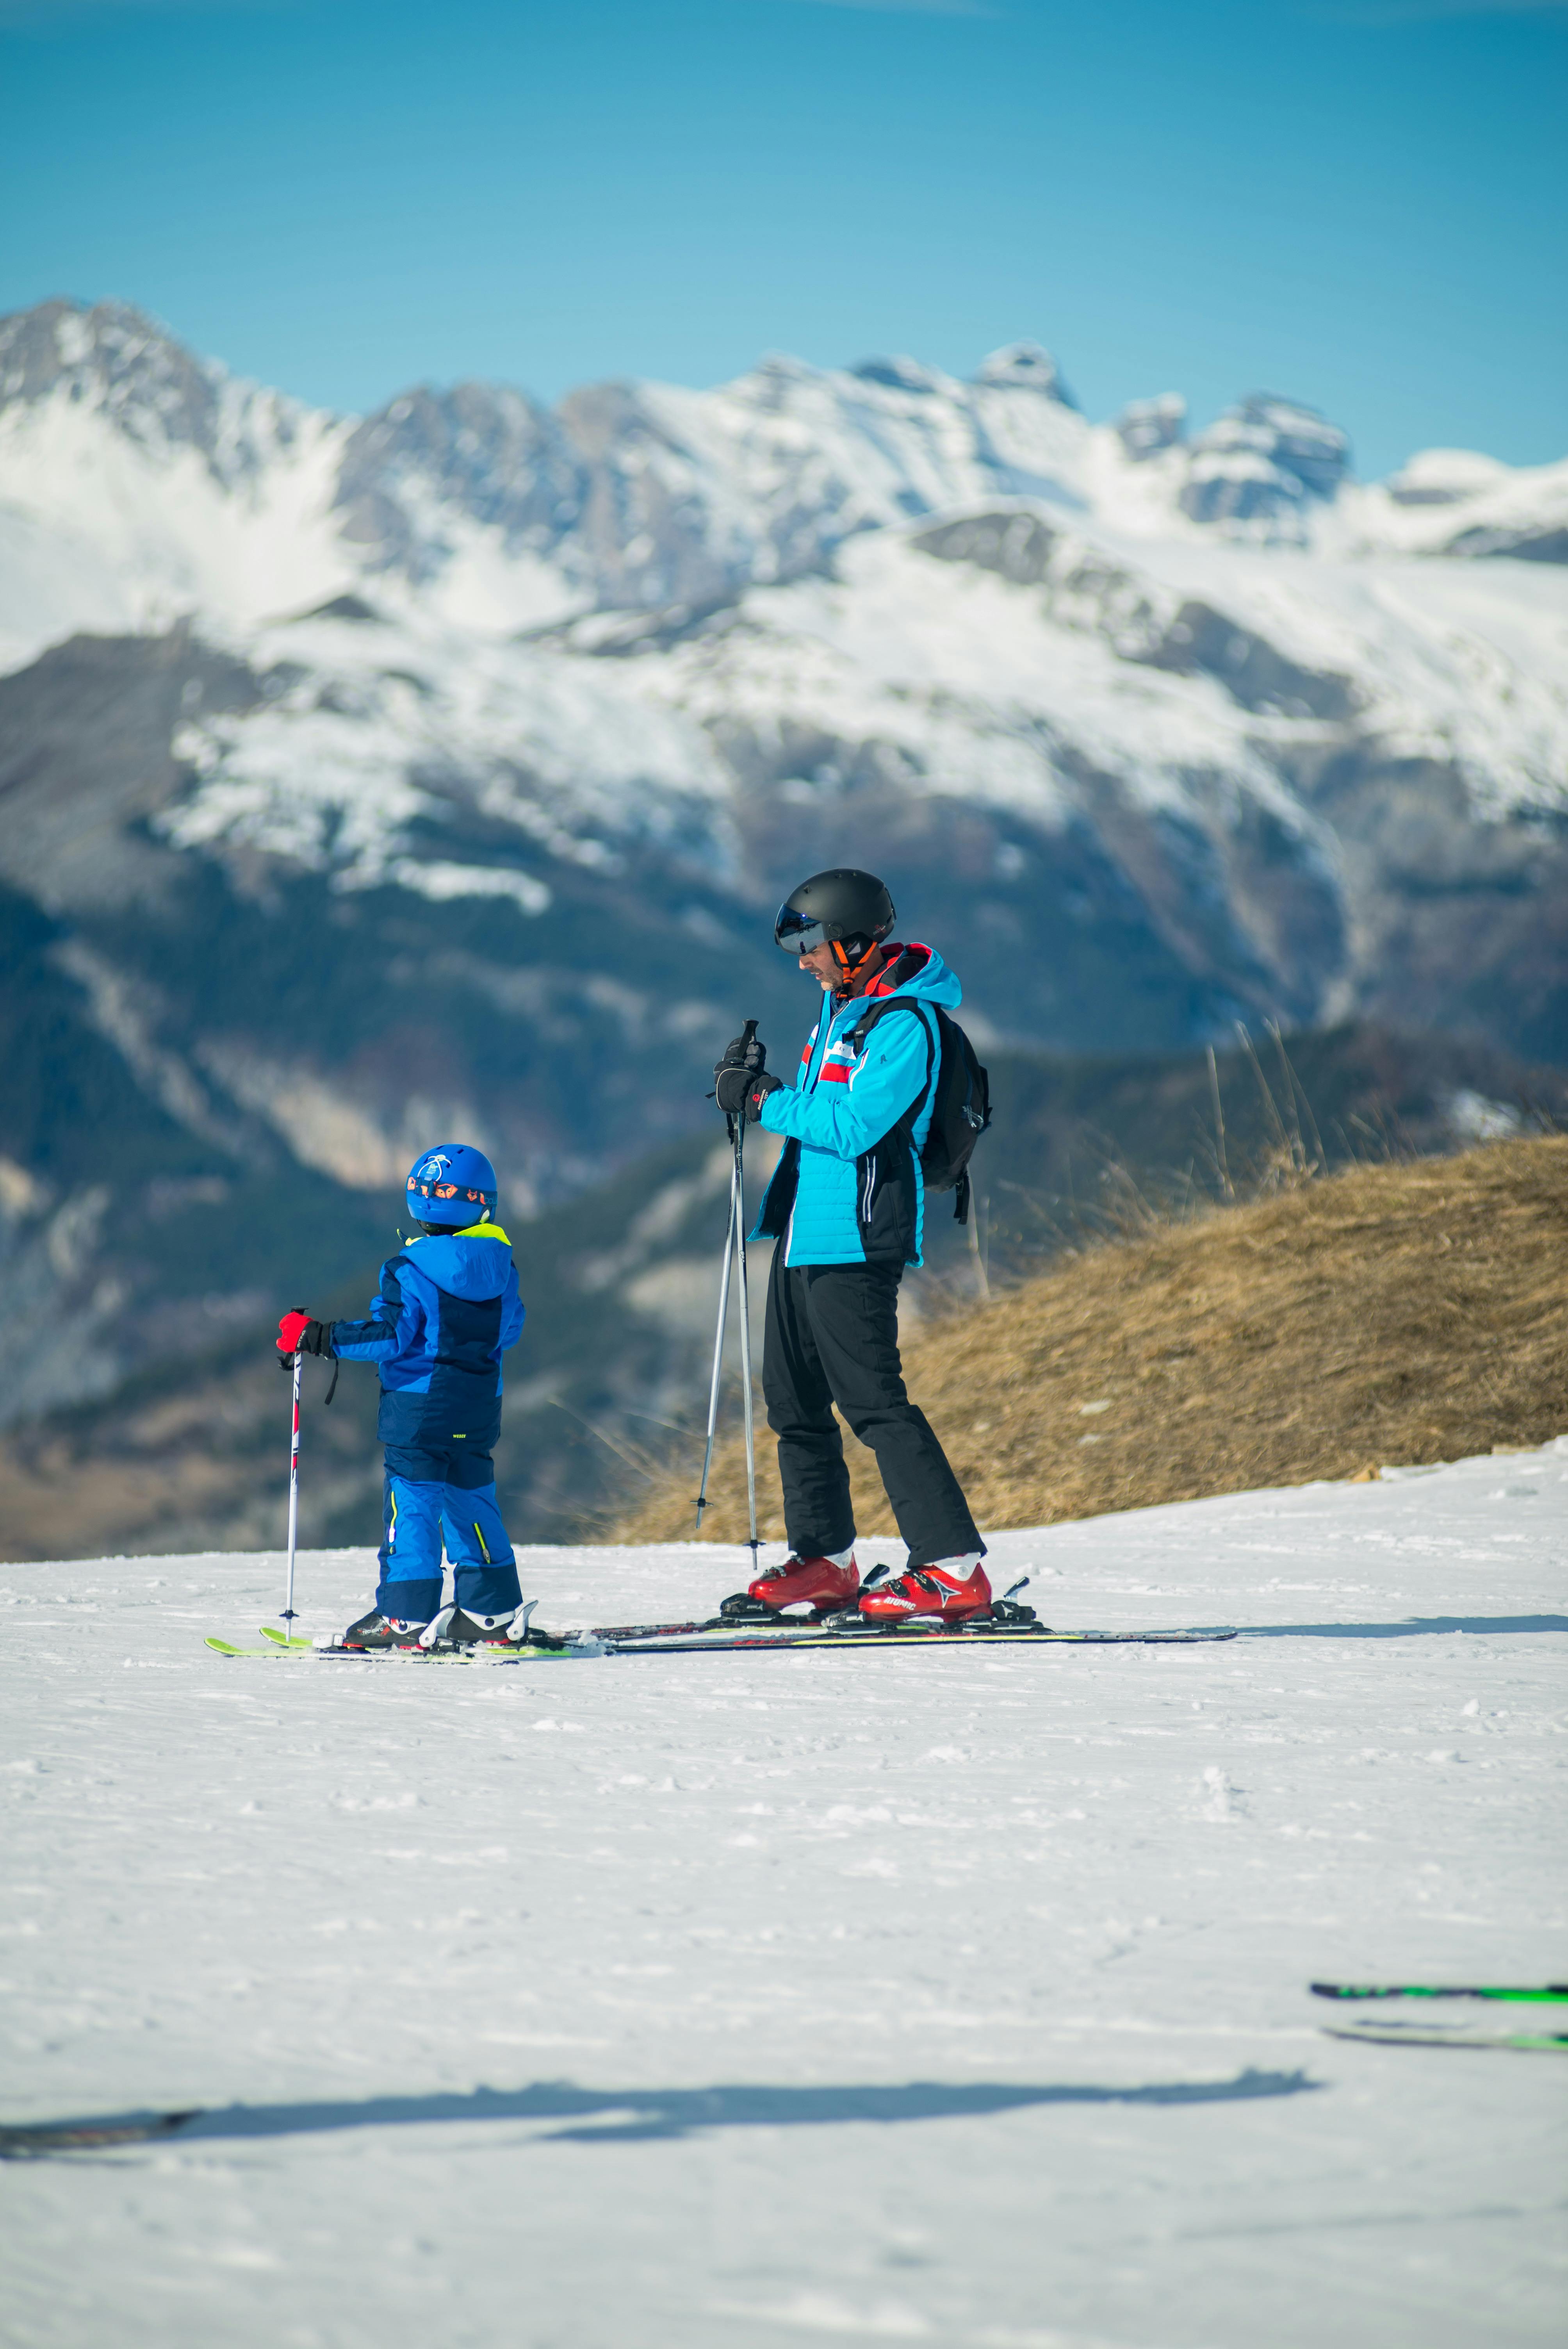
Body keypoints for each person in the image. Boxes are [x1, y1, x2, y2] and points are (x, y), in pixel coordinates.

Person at [713, 868, 990, 1623]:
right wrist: (754, 1091)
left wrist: (766, 1098)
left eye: (815, 946)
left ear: (860, 943)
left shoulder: (907, 1025)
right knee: (795, 1405)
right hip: (804, 1233)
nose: (805, 961)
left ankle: (954, 1568)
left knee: (874, 1404)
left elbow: (854, 1127)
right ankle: (826, 1562)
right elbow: (817, 1115)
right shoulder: (838, 1013)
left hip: (861, 1239)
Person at [275, 1146, 526, 1649]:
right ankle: (491, 1612)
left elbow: (389, 1337)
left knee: (411, 1508)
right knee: (473, 1503)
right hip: (476, 1412)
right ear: (483, 1204)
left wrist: (318, 1336)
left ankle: (405, 1618)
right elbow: (511, 1331)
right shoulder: (501, 1267)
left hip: (419, 1414)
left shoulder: (408, 1270)